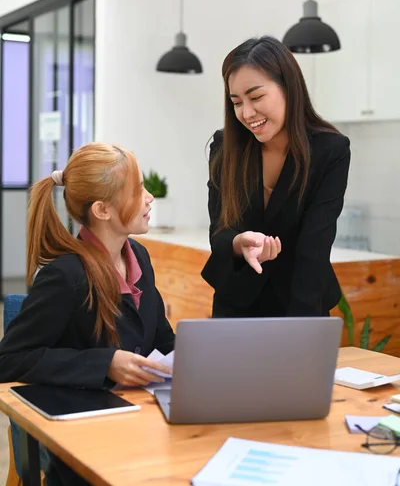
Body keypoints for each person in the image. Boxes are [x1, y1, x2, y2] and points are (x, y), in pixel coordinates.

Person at [0, 142, 174, 486]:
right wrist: (104, 363)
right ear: (103, 210)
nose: (150, 198)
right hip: (87, 445)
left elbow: (161, 340)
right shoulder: (65, 276)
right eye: (138, 190)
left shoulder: (139, 256)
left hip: (144, 426)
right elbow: (10, 359)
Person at [201, 36, 351, 319]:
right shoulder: (225, 147)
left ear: (288, 88)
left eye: (256, 97)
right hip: (237, 303)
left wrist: (301, 331)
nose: (246, 113)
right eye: (236, 102)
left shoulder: (330, 151)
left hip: (302, 301)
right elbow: (218, 234)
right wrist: (238, 242)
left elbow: (315, 247)